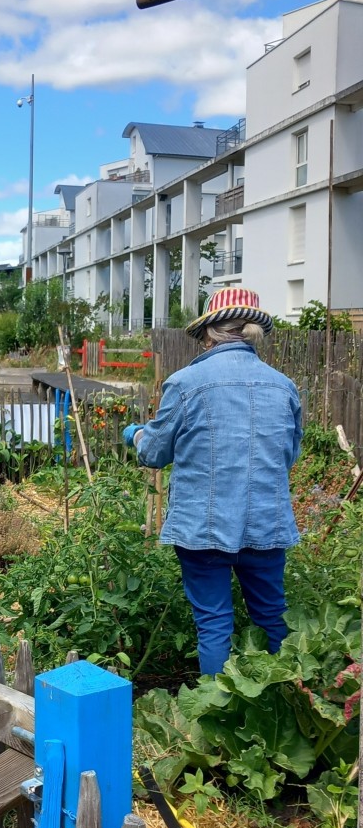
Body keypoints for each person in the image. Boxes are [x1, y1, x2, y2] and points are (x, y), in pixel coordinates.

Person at [122, 288, 302, 677]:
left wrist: (135, 434)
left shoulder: (187, 383)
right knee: (273, 617)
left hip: (203, 528)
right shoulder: (283, 386)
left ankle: (217, 707)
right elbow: (288, 456)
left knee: (214, 623)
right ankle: (287, 699)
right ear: (252, 333)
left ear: (209, 333)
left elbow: (153, 452)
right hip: (266, 524)